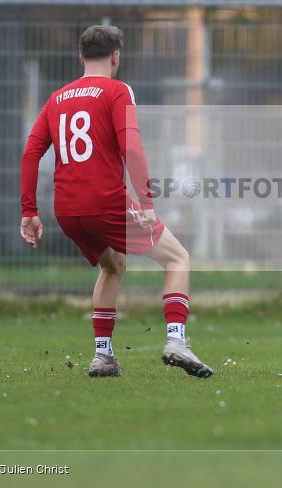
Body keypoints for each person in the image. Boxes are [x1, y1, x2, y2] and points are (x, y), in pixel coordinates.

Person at [20, 25, 213, 379]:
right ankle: (176, 341)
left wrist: (29, 212)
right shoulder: (117, 90)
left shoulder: (57, 97)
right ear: (115, 57)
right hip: (105, 202)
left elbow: (31, 152)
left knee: (112, 265)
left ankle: (103, 356)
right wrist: (147, 199)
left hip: (66, 209)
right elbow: (132, 148)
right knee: (177, 258)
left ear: (81, 57)